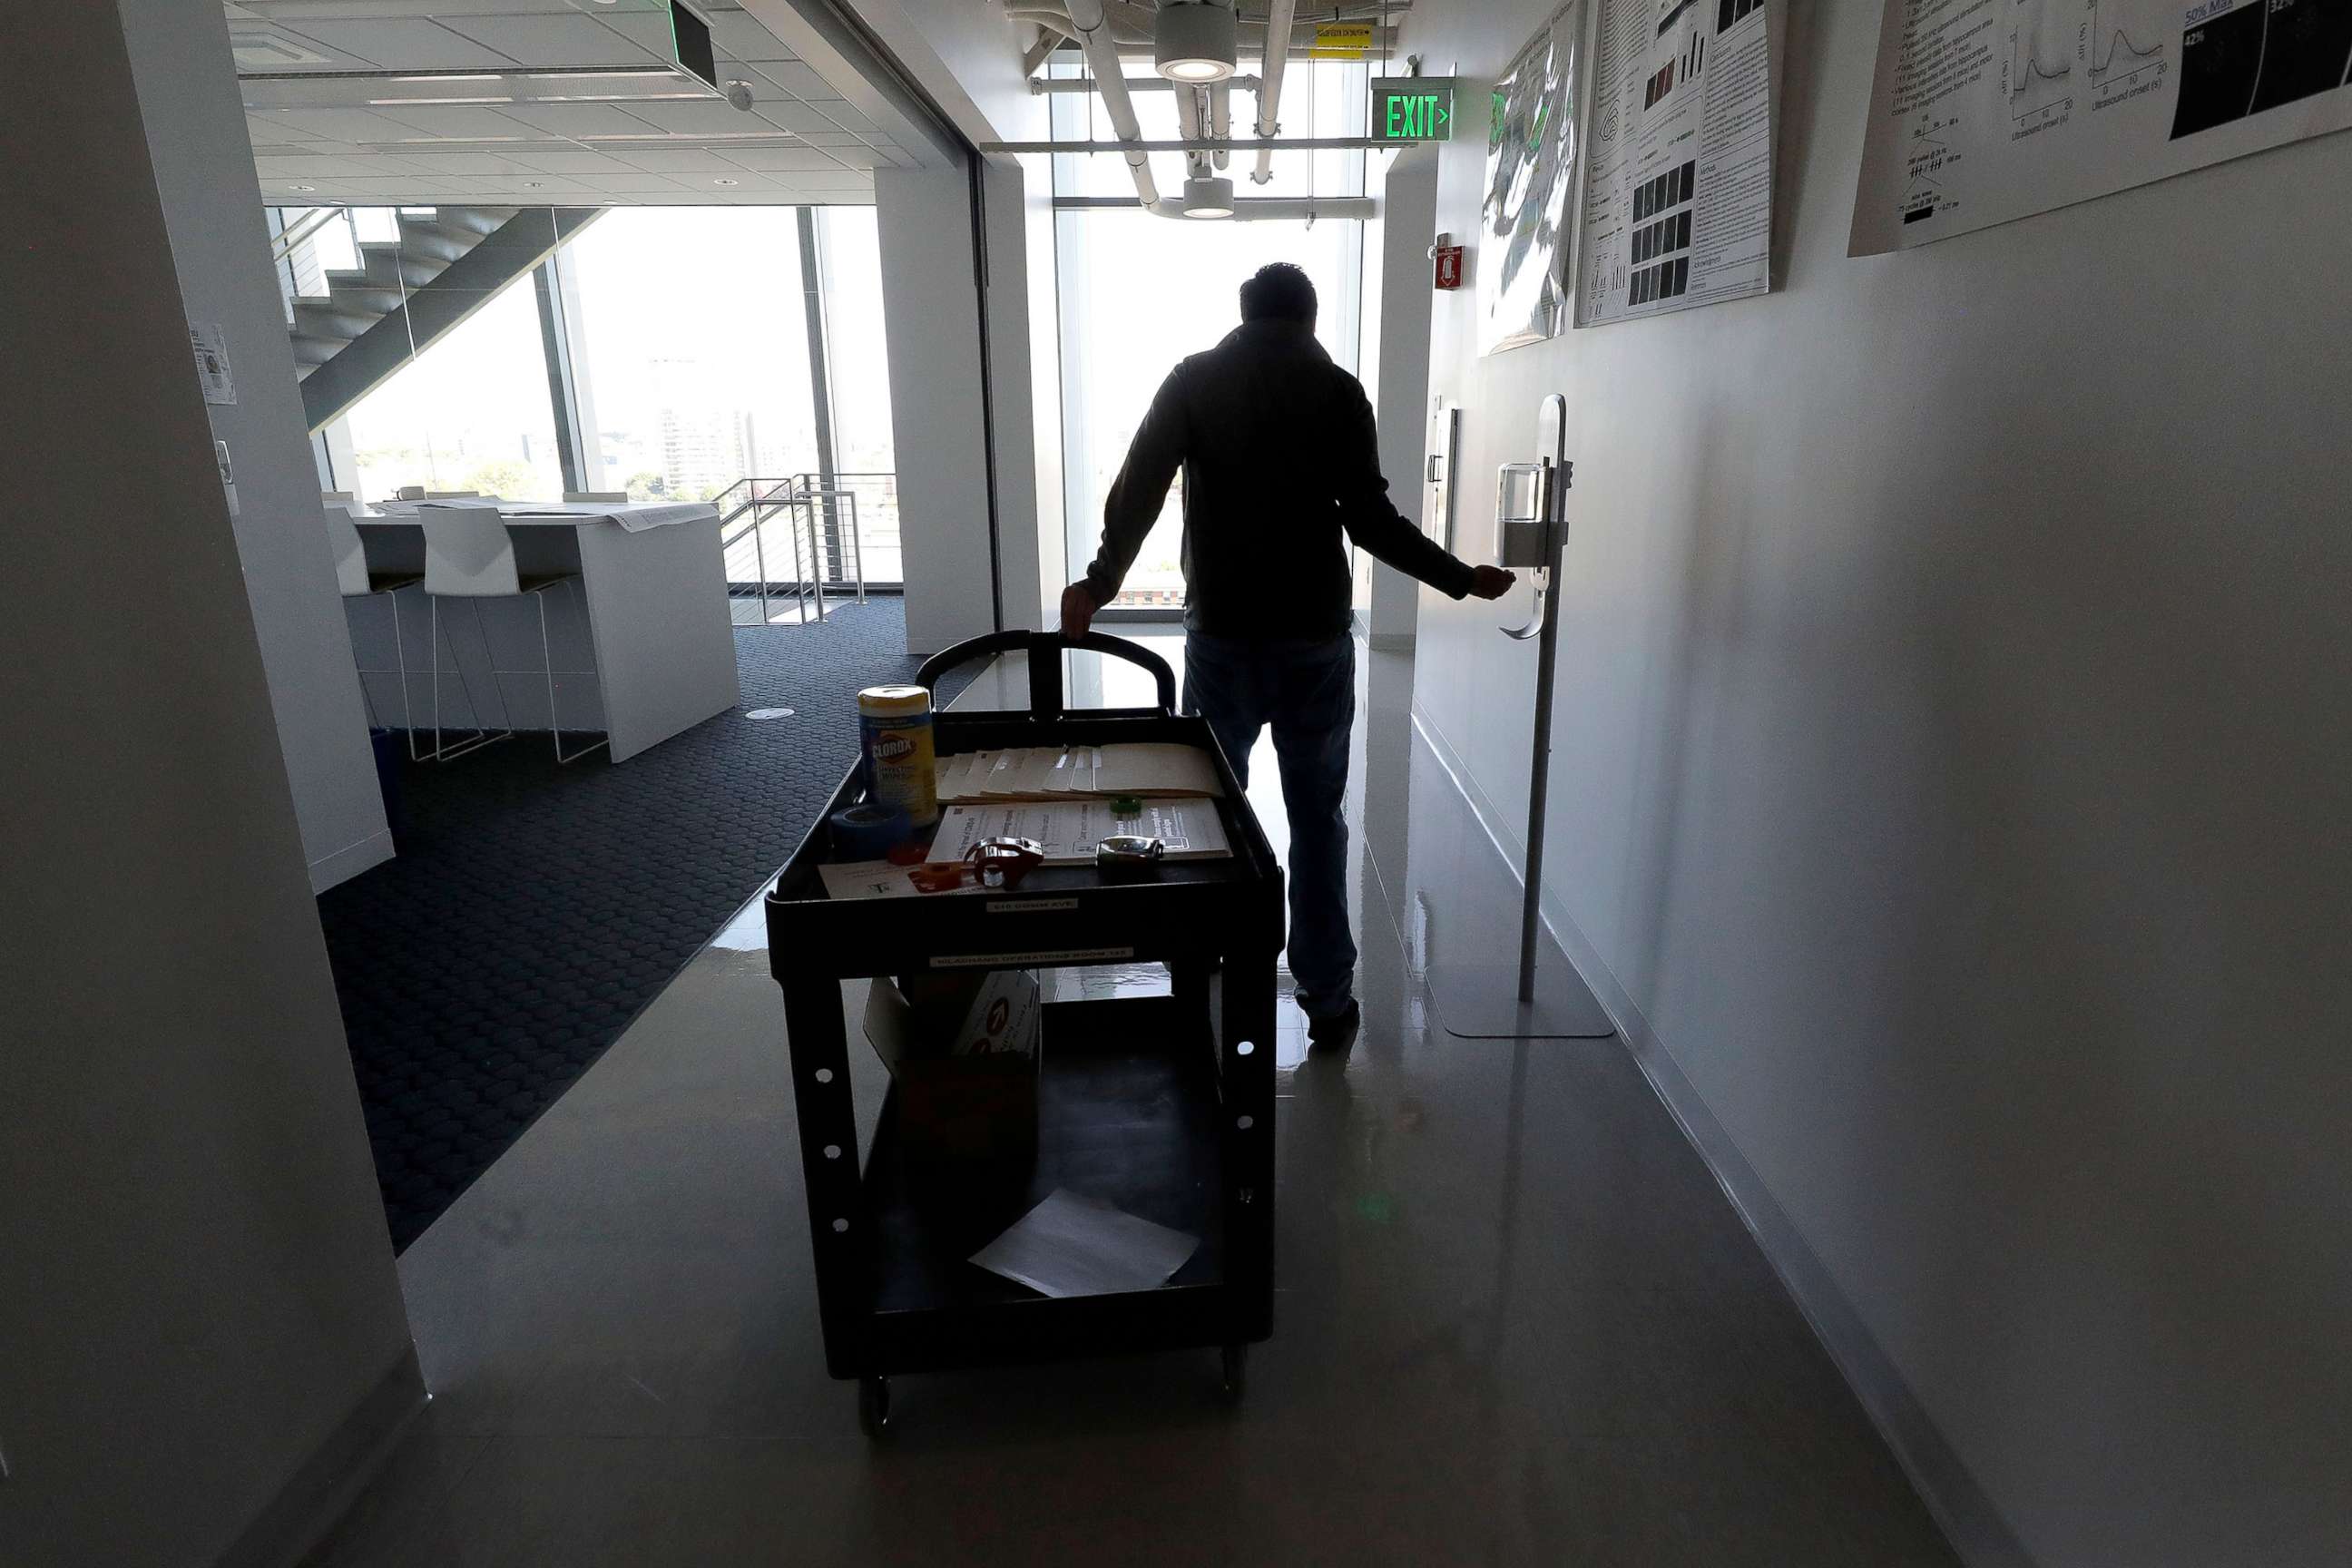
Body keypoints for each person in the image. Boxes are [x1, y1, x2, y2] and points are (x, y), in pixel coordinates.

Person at [1062, 261, 1514, 1051]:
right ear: (1307, 319)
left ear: (1243, 315)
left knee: (1209, 813)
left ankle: (1200, 961)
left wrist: (1099, 583)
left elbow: (1140, 486)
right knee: (1317, 820)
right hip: (1314, 643)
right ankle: (1329, 997)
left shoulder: (1192, 380)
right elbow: (1371, 520)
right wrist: (1458, 578)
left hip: (1221, 641)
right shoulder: (1337, 391)